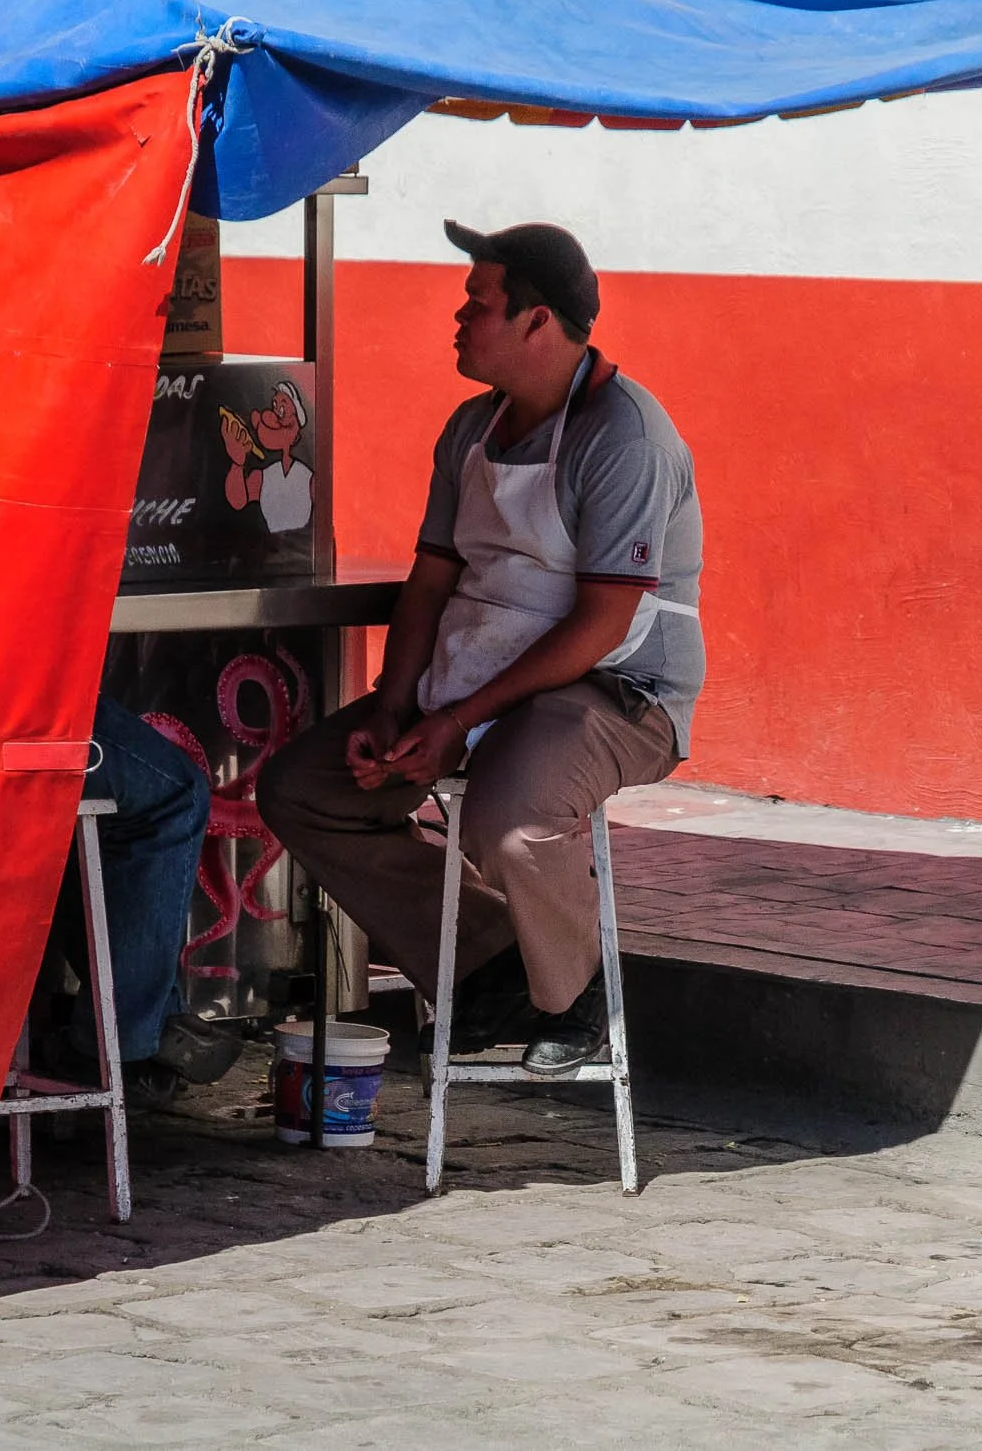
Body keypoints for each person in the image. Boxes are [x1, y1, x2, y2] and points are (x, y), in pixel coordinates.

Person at [260, 220, 704, 1075]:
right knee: (303, 789)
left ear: (539, 323)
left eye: (478, 304)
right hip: (478, 682)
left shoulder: (625, 438)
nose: (459, 321)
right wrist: (398, 707)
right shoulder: (471, 428)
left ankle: (576, 1000)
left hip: (617, 692)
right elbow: (432, 582)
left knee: (512, 819)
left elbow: (600, 624)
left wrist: (457, 720)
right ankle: (492, 965)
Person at [36, 693, 237, 1100]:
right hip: (3, 715)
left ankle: (139, 1024)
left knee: (93, 814)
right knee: (176, 794)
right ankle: (127, 1036)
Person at [222, 379, 315, 534]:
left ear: (296, 434)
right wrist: (237, 464)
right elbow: (238, 501)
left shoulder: (308, 477)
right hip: (272, 546)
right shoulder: (264, 476)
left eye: (283, 407)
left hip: (301, 547)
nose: (275, 412)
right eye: (274, 405)